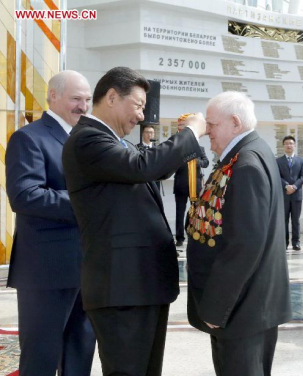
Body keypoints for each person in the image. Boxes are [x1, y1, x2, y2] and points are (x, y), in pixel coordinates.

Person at [62, 66, 206, 375]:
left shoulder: (114, 142)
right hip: (121, 289)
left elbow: (152, 169)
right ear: (112, 97)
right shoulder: (87, 139)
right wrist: (189, 133)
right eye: (138, 105)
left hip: (140, 285)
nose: (141, 116)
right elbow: (142, 167)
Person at [186, 91, 291, 376]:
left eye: (211, 124)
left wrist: (216, 308)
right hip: (247, 306)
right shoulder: (247, 152)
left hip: (242, 310)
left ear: (234, 122)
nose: (207, 132)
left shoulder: (246, 164)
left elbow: (244, 245)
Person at [5, 70, 96, 375]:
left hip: (87, 268)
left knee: (80, 354)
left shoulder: (85, 139)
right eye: (75, 99)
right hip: (45, 270)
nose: (82, 106)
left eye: (86, 100)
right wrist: (88, 201)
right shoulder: (28, 137)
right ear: (53, 96)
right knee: (41, 359)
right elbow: (25, 196)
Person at [173, 113, 210, 247]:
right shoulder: (177, 148)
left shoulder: (199, 148)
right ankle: (179, 237)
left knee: (196, 211)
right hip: (181, 185)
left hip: (196, 185)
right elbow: (172, 164)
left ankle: (194, 234)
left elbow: (206, 162)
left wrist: (196, 161)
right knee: (179, 212)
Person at [277, 135, 303, 250]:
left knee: (295, 220)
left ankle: (296, 242)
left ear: (294, 145)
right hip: (284, 195)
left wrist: (294, 186)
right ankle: (284, 242)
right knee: (283, 220)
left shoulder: (301, 161)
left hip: (296, 195)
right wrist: (286, 186)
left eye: (291, 143)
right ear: (283, 146)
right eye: (286, 143)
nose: (289, 145)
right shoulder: (278, 161)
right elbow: (277, 176)